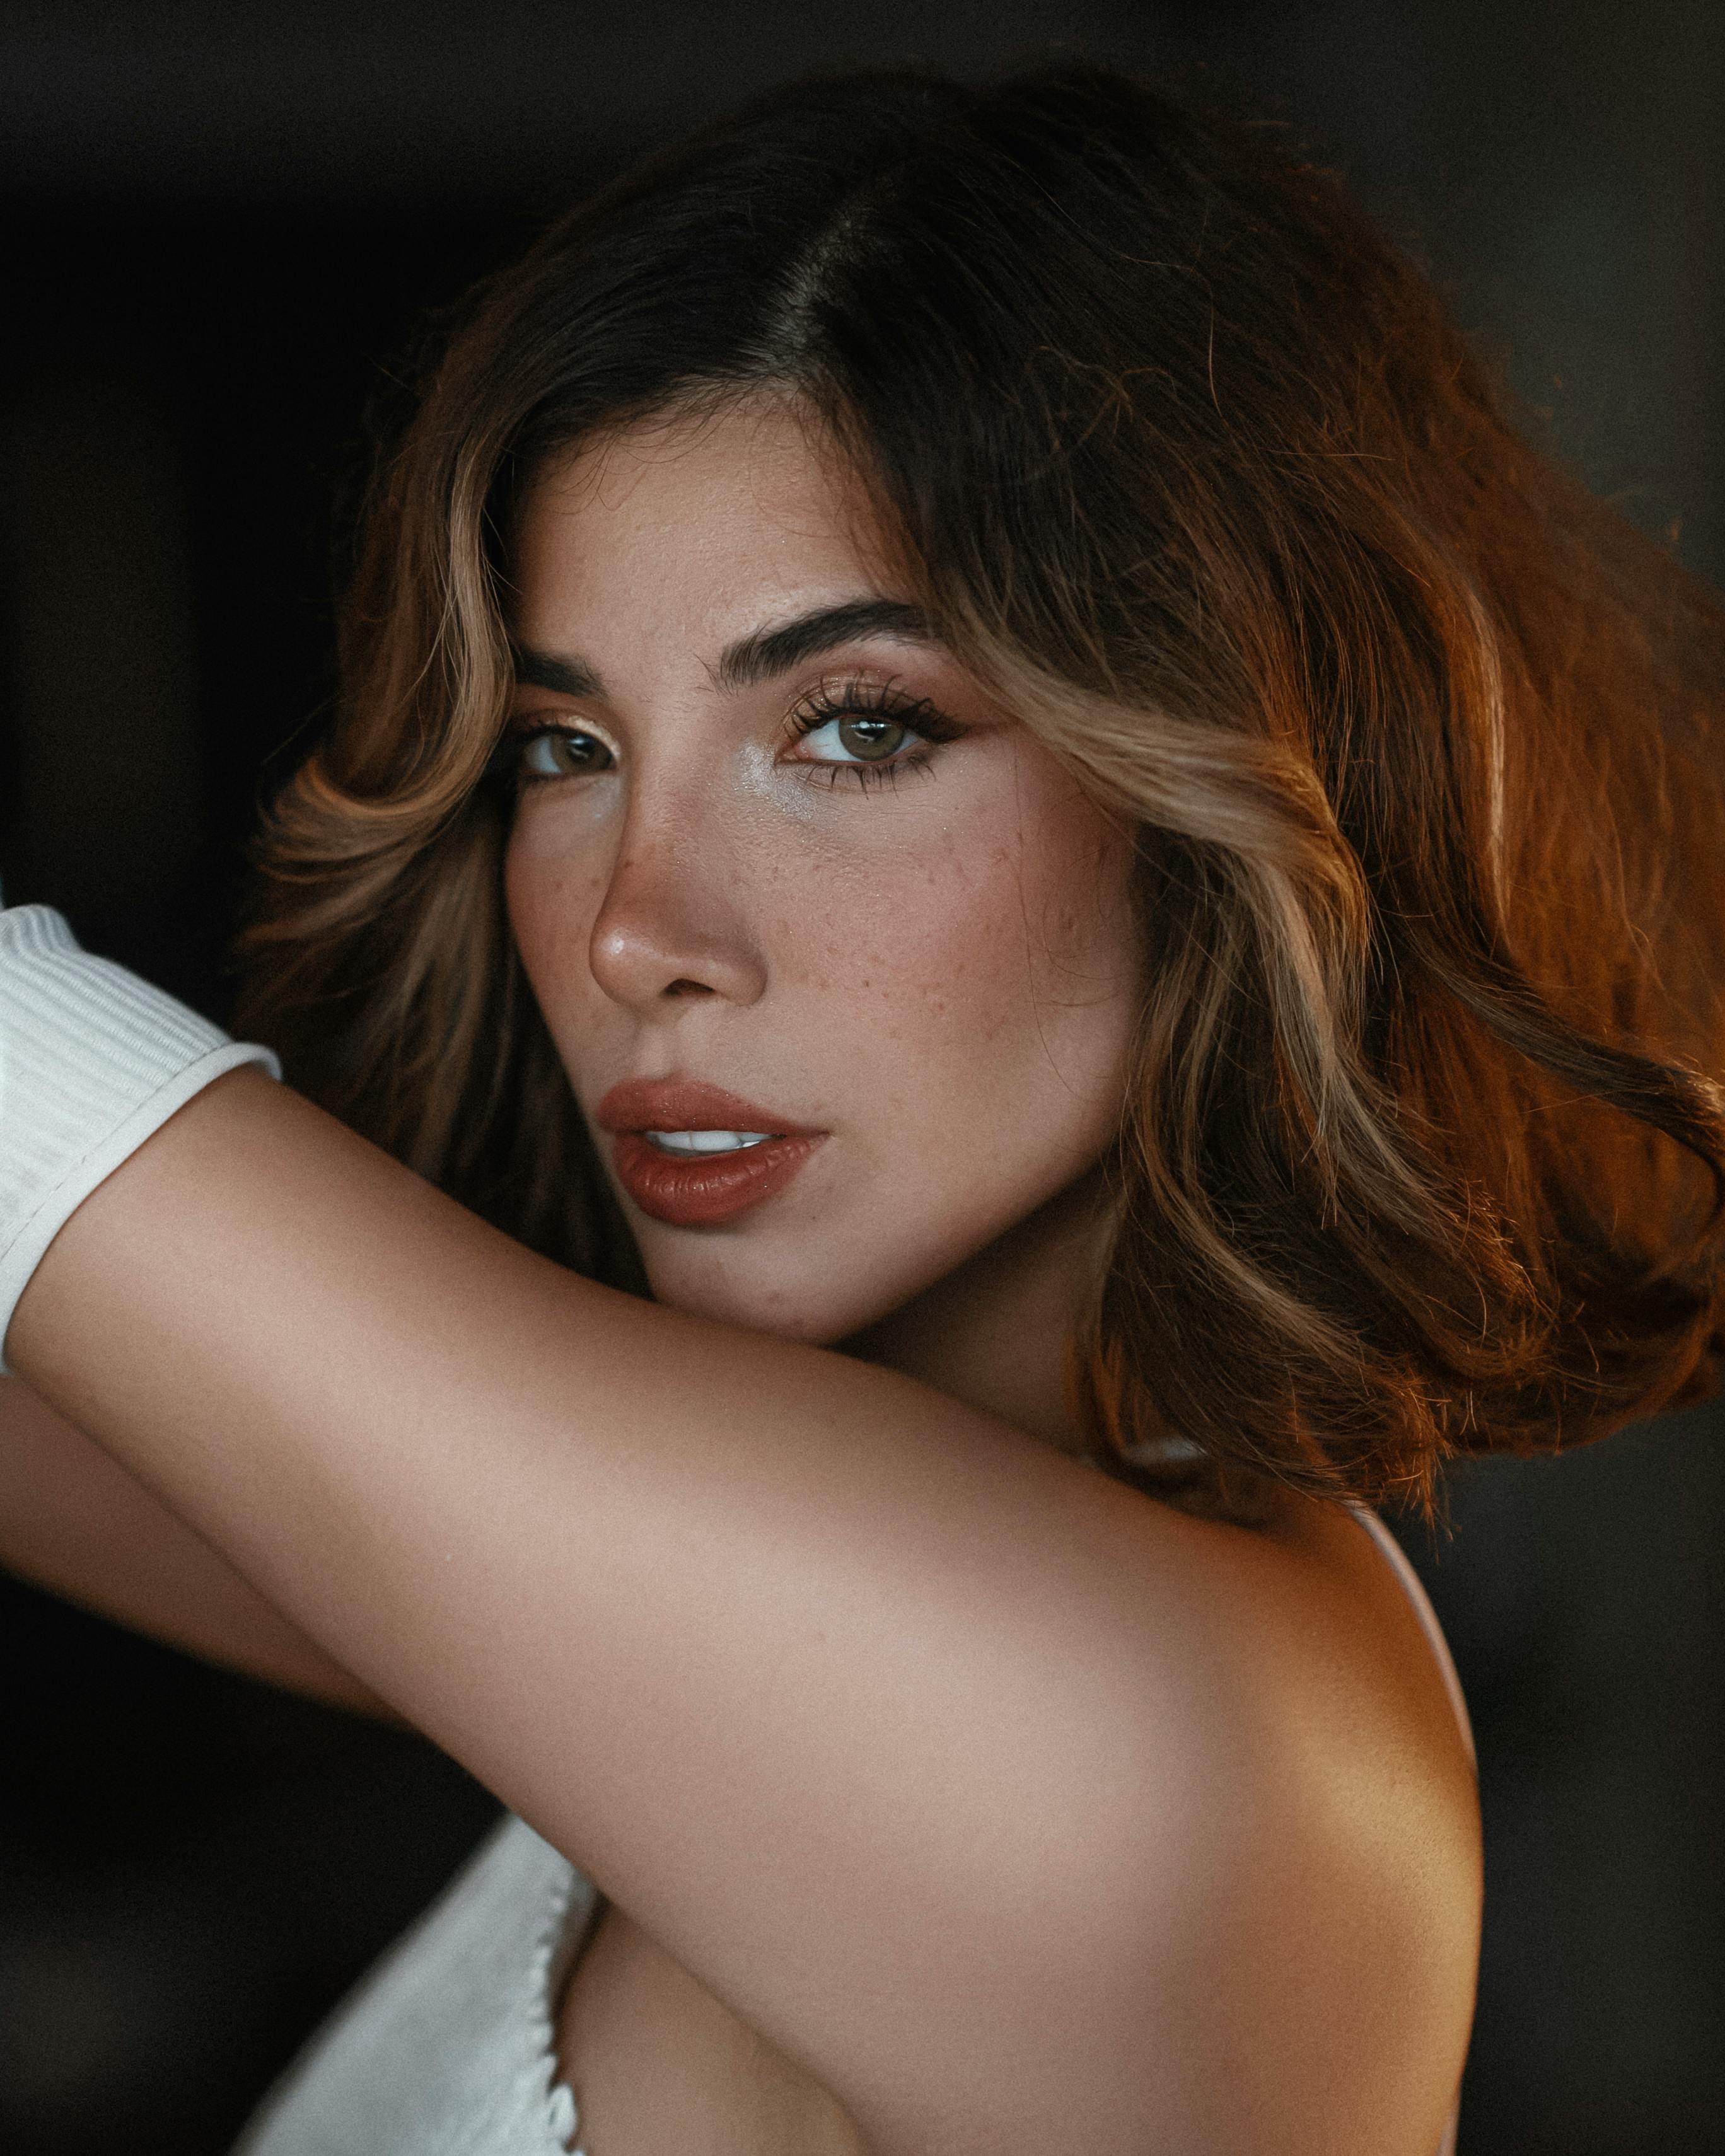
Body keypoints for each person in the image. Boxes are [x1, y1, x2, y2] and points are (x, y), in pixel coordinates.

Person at [1, 61, 1722, 2156]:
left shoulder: (1149, 1761)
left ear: (1227, 779)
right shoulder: (722, 1595)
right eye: (565, 749)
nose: (637, 930)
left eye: (858, 728)